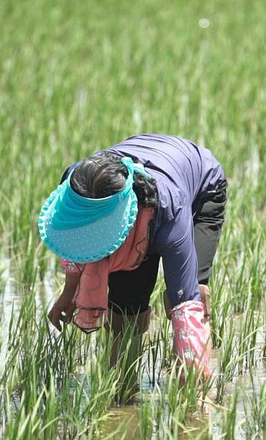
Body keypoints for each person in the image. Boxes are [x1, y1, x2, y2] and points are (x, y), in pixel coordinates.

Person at [38, 133, 227, 397]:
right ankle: (121, 392)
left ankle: (195, 390)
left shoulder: (170, 216)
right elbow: (78, 245)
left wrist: (194, 412)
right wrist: (69, 293)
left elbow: (187, 308)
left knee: (190, 292)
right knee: (124, 315)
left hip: (200, 188)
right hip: (144, 193)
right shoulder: (78, 184)